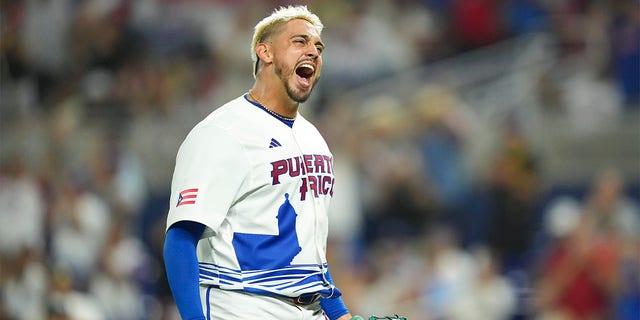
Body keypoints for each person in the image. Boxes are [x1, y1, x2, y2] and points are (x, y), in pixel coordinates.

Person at [163, 6, 355, 320]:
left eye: (318, 47)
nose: (313, 52)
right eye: (300, 42)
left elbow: (308, 252)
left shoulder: (314, 139)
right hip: (240, 306)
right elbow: (181, 238)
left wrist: (340, 314)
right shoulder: (222, 133)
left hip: (308, 311)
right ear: (263, 51)